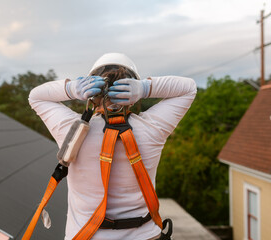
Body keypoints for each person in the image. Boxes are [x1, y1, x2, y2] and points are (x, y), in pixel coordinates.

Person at [28, 53, 197, 240]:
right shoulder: (153, 128)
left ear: (93, 93)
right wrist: (145, 88)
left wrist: (71, 89)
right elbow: (188, 88)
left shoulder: (71, 129)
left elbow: (36, 96)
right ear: (133, 94)